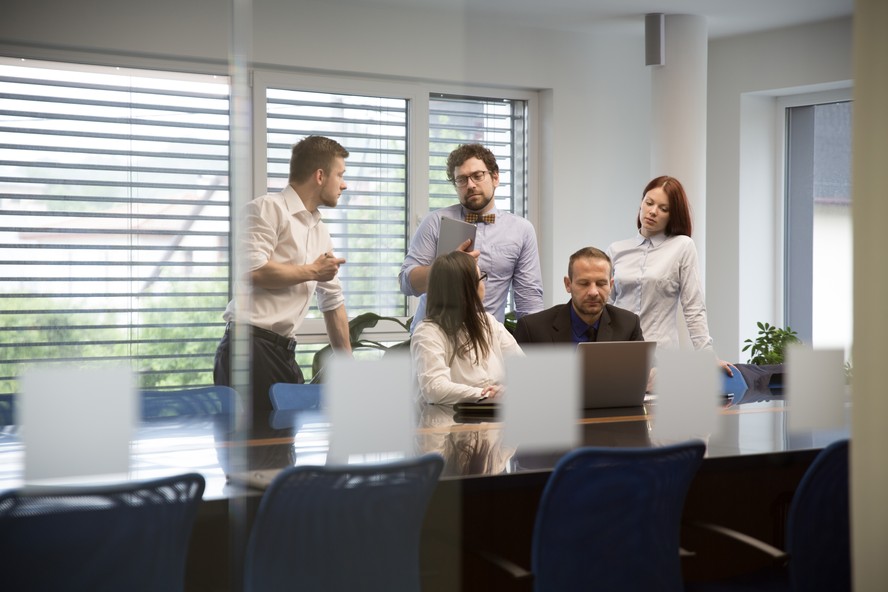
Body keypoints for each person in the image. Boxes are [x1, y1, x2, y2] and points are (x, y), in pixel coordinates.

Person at [213, 135, 352, 425]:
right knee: (256, 455)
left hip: (282, 353)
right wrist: (313, 271)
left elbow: (332, 300)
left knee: (282, 452)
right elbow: (254, 272)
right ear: (319, 175)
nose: (344, 184)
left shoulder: (319, 229)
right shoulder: (266, 209)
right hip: (248, 349)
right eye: (340, 175)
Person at [399, 143, 544, 331]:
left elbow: (529, 302)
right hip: (434, 337)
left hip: (487, 342)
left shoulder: (522, 230)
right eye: (461, 179)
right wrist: (445, 268)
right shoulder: (435, 222)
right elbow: (406, 282)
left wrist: (538, 353)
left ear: (495, 177)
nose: (470, 185)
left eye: (478, 176)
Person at [606, 175, 734, 375]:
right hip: (619, 354)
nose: (652, 211)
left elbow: (694, 306)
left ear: (672, 215)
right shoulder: (616, 250)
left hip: (661, 358)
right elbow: (606, 307)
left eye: (663, 209)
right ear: (641, 203)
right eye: (649, 203)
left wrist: (707, 355)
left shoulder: (682, 246)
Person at [411, 251, 523, 405]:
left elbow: (523, 370)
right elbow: (435, 389)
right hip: (445, 422)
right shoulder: (428, 332)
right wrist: (486, 394)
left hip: (492, 418)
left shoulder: (488, 322)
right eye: (481, 279)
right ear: (466, 289)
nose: (484, 285)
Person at [514, 246, 644, 344]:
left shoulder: (628, 325)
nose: (593, 292)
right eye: (584, 283)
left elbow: (643, 370)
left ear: (610, 286)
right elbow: (519, 378)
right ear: (568, 284)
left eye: (601, 283)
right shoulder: (532, 329)